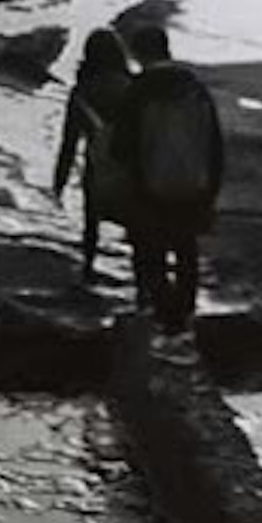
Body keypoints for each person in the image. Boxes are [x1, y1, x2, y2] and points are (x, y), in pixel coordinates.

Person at [108, 21, 226, 334]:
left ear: (137, 53)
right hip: (194, 184)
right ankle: (184, 313)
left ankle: (161, 314)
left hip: (149, 186)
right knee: (186, 248)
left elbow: (121, 148)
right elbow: (214, 142)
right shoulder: (196, 87)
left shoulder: (138, 91)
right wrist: (211, 188)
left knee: (150, 250)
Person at [49, 27, 135, 283]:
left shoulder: (82, 91)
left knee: (92, 219)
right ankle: (143, 286)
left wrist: (59, 183)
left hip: (98, 165)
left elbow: (69, 143)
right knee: (138, 225)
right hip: (132, 166)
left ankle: (88, 268)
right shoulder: (132, 87)